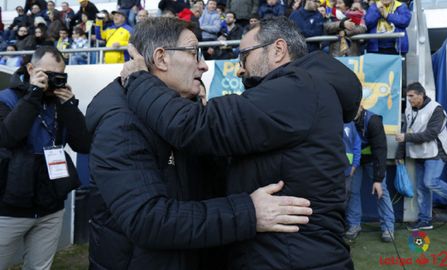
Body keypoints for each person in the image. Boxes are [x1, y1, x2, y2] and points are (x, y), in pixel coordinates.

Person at [122, 16, 362, 269]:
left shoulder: (297, 89)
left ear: (278, 50)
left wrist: (139, 80)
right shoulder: (305, 88)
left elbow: (194, 126)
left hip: (291, 259)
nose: (240, 69)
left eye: (244, 55)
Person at [86, 17, 313, 269]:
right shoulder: (120, 123)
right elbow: (147, 220)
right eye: (195, 53)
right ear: (161, 58)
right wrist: (248, 213)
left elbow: (204, 191)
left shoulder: (186, 114)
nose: (204, 66)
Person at [0, 46, 90, 269]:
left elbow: (83, 144)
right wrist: (33, 94)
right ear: (31, 68)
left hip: (51, 207)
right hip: (9, 208)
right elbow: (8, 138)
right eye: (47, 75)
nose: (52, 81)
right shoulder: (6, 99)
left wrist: (69, 106)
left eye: (59, 75)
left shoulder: (60, 104)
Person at [395, 82, 447, 231]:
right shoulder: (409, 108)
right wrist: (400, 153)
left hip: (436, 152)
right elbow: (406, 129)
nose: (409, 99)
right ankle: (425, 220)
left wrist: (406, 138)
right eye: (407, 96)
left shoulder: (436, 109)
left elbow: (430, 134)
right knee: (422, 188)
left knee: (430, 182)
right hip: (419, 154)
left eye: (411, 96)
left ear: (421, 94)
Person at [345, 105, 395, 242]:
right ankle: (354, 225)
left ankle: (388, 228)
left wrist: (378, 179)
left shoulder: (373, 121)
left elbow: (380, 150)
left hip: (373, 161)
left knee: (381, 191)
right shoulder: (344, 119)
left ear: (360, 107)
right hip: (356, 162)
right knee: (352, 191)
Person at [343, 121, 361, 207]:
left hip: (347, 171)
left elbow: (357, 145)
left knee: (345, 196)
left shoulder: (350, 123)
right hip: (330, 169)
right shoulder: (328, 119)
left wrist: (354, 165)